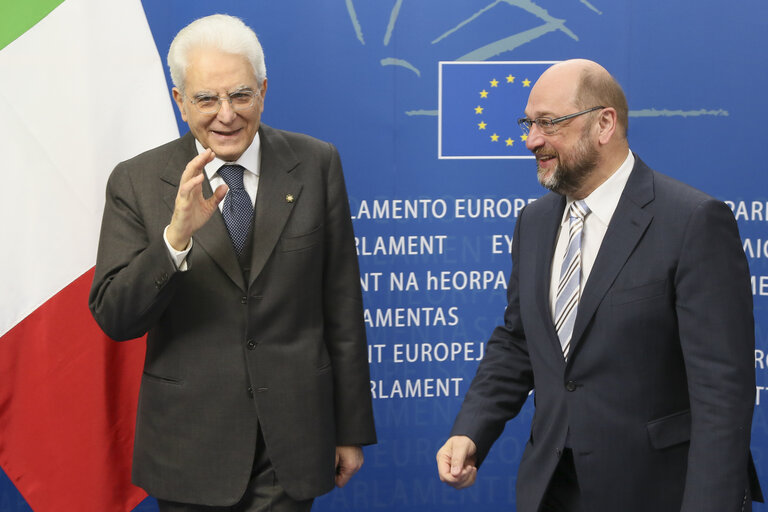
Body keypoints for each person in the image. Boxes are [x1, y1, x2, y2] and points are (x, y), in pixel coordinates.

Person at [436, 59, 762, 512]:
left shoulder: (692, 221)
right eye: (527, 124)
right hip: (552, 489)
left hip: (657, 493)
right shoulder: (533, 223)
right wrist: (471, 429)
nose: (531, 140)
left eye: (548, 123)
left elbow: (723, 393)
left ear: (604, 123)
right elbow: (519, 342)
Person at [89, 14, 376, 511]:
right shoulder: (138, 181)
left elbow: (341, 306)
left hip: (293, 442)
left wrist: (350, 429)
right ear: (179, 101)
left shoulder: (316, 163)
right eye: (206, 99)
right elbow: (116, 317)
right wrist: (174, 238)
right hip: (190, 446)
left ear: (263, 90)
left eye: (241, 95)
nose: (226, 114)